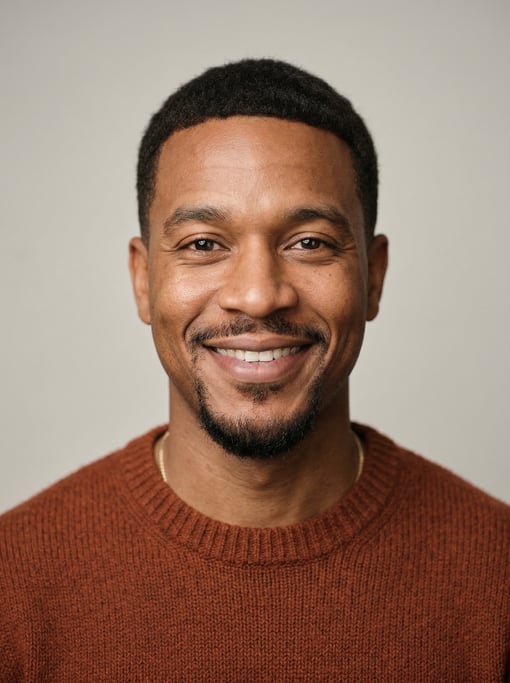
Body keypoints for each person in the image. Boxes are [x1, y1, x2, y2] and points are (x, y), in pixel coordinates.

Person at [1, 59, 508, 682]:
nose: (260, 294)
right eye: (204, 244)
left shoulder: (498, 577)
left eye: (310, 243)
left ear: (373, 276)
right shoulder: (14, 584)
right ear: (143, 279)